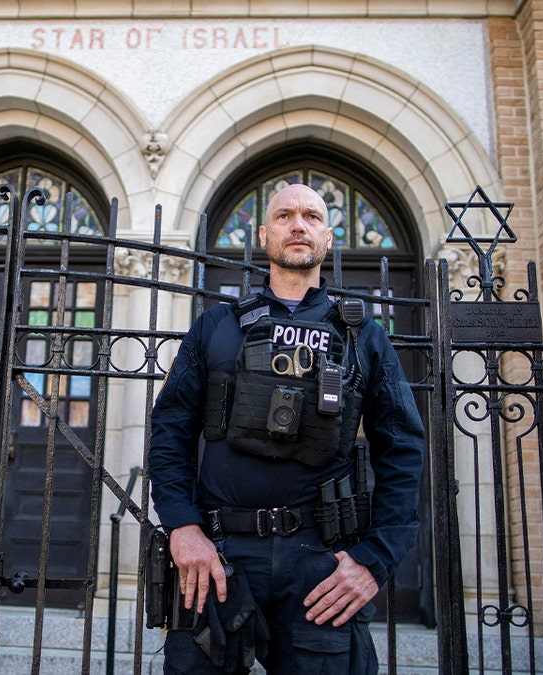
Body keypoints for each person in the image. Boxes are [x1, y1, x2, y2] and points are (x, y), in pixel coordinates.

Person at [149, 183, 425, 674]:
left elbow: (402, 448)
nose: (299, 225)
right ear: (263, 234)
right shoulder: (216, 325)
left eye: (312, 217)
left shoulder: (363, 335)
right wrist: (182, 527)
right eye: (285, 215)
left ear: (328, 236)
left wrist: (373, 560)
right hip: (217, 556)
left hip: (320, 565)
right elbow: (170, 428)